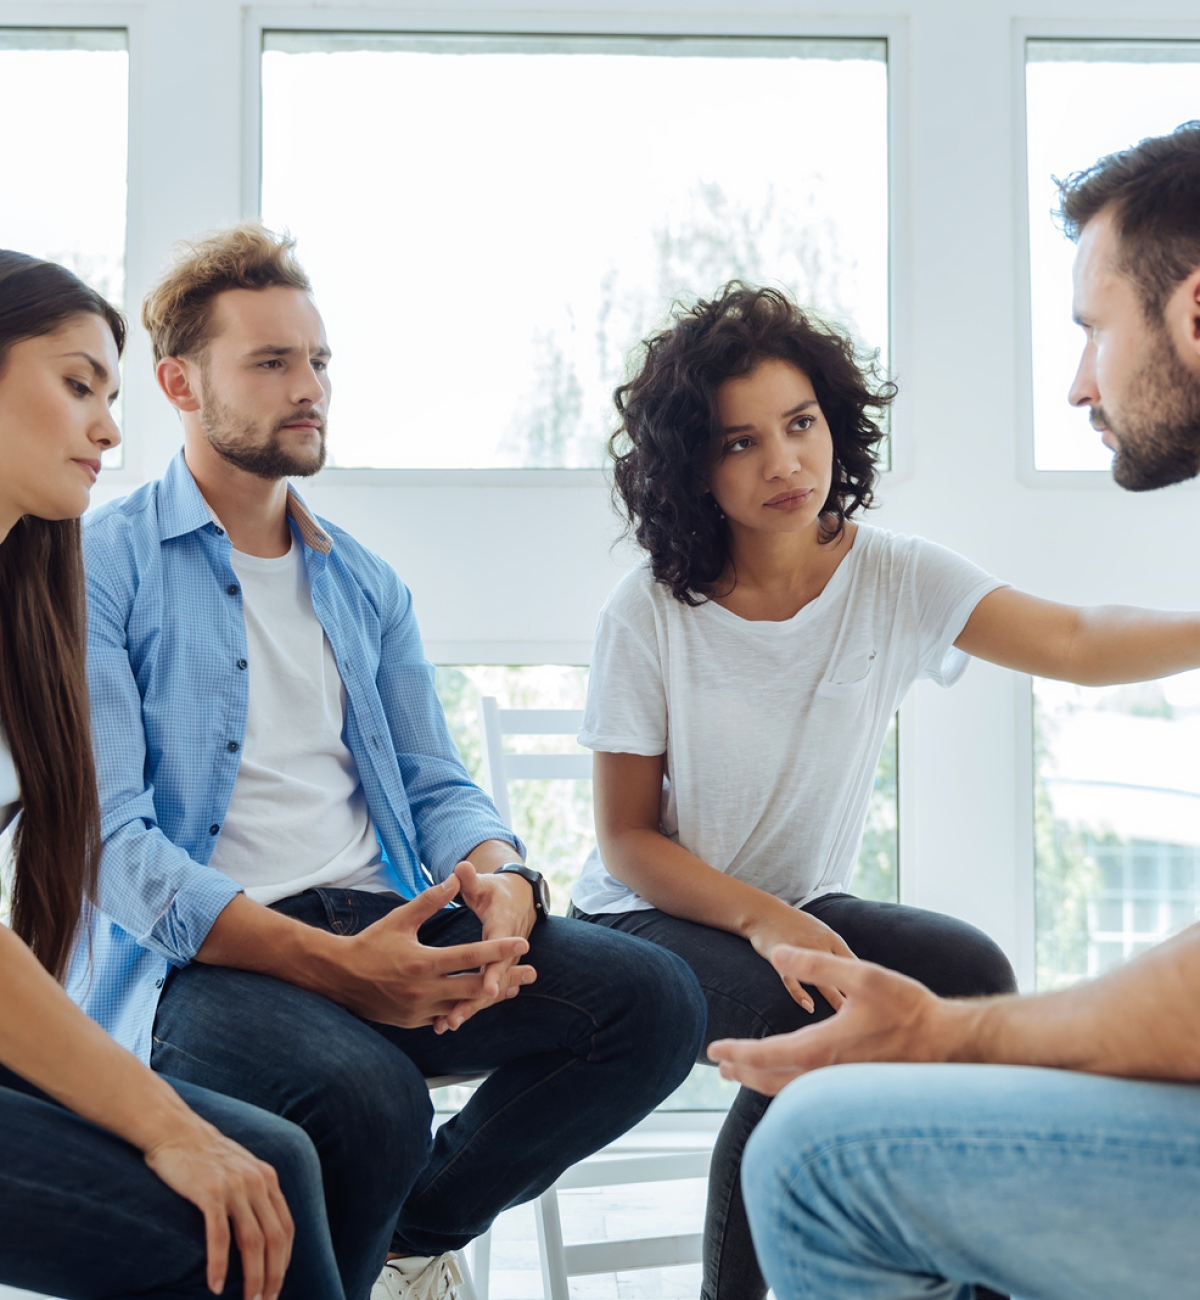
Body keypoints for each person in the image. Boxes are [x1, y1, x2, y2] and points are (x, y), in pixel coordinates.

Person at [70, 224, 706, 1300]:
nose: (308, 385)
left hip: (387, 913)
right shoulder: (102, 564)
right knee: (369, 1099)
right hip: (214, 961)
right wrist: (333, 968)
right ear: (179, 382)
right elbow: (112, 845)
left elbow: (431, 778)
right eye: (270, 362)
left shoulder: (363, 582)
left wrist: (505, 876)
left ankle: (404, 1243)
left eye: (318, 361)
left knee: (654, 1002)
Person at [570, 262, 1200, 1300]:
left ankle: (970, 1266)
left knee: (969, 968)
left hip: (802, 909)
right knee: (812, 1010)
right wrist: (767, 921)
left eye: (801, 422)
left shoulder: (893, 573)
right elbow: (630, 839)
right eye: (741, 441)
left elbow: (1080, 639)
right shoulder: (649, 611)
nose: (786, 460)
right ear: (694, 466)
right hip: (648, 914)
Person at [0, 250, 344, 1299]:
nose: (108, 429)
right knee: (214, 1218)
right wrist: (166, 1128)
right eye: (75, 385)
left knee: (275, 1159)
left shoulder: (26, 607)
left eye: (110, 393)